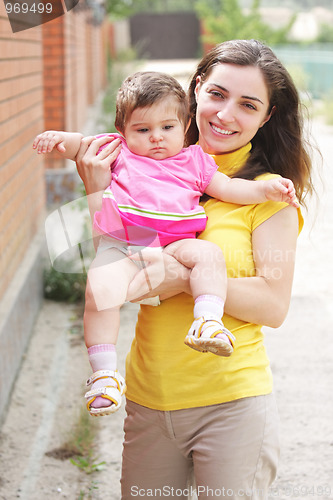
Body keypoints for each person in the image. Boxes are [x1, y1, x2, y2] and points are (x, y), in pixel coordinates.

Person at [75, 39, 313, 499]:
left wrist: (182, 278)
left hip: (230, 402)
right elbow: (115, 265)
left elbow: (272, 305)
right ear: (196, 92)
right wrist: (97, 191)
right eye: (218, 95)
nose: (225, 114)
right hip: (148, 395)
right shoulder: (145, 164)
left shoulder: (266, 194)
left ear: (266, 116)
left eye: (248, 105)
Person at [34, 71, 298, 419]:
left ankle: (207, 319)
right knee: (98, 292)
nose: (155, 138)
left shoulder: (194, 162)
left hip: (175, 245)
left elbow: (230, 189)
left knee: (208, 254)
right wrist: (58, 139)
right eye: (142, 130)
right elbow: (79, 146)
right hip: (124, 245)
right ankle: (103, 372)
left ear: (183, 123)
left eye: (167, 128)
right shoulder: (119, 154)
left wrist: (266, 190)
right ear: (123, 131)